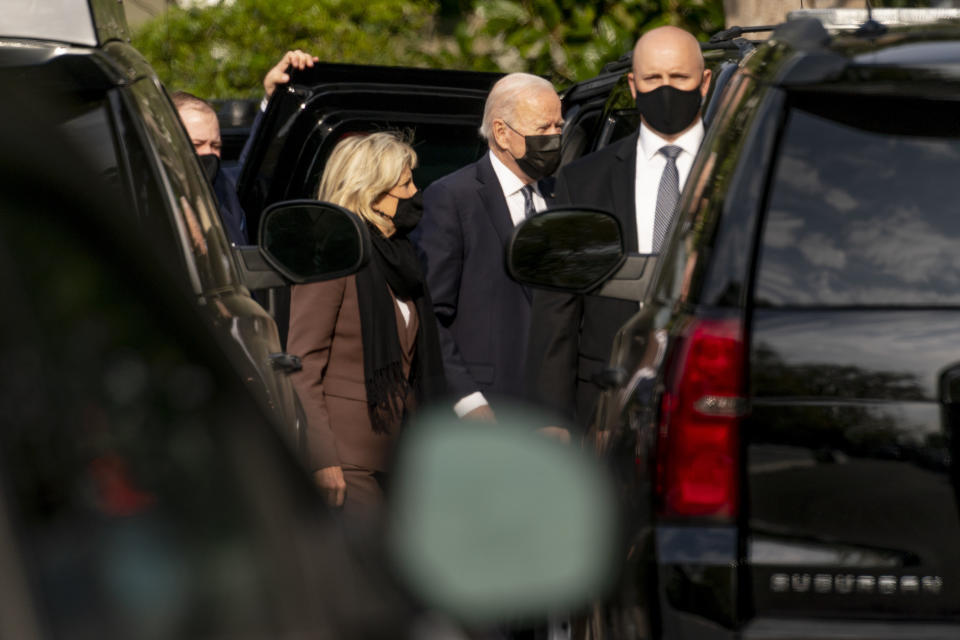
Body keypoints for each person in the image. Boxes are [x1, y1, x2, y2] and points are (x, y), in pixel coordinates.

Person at [526, 26, 711, 428]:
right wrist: (552, 418)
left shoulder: (738, 171)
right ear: (632, 85)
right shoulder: (583, 180)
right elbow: (558, 306)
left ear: (705, 82)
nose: (666, 89)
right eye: (652, 79)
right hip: (605, 401)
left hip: (710, 393)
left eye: (679, 78)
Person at [286, 132, 445, 513]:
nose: (415, 193)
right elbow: (302, 364)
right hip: (346, 460)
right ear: (372, 192)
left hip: (396, 456)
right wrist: (322, 459)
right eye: (405, 184)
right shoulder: (333, 253)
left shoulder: (401, 257)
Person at [414, 72, 564, 425]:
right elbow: (431, 314)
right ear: (501, 132)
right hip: (486, 410)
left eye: (559, 127)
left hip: (554, 419)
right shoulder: (453, 198)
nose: (555, 138)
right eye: (543, 129)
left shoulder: (564, 194)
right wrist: (468, 401)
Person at [174, 50, 318, 245]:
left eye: (215, 145)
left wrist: (275, 98)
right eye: (197, 144)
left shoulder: (224, 185)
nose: (208, 153)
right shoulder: (146, 194)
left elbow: (254, 165)